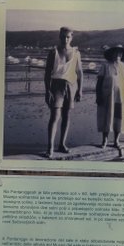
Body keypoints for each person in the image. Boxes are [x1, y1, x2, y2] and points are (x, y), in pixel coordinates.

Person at [44, 27, 83, 158]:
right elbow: (47, 73)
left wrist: (80, 90)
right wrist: (47, 91)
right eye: (62, 37)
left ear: (71, 38)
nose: (65, 39)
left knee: (67, 116)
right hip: (56, 85)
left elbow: (79, 72)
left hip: (71, 86)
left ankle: (62, 144)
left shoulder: (76, 53)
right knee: (55, 116)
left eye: (68, 37)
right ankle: (50, 147)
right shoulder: (53, 52)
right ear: (59, 37)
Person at [95, 45, 124, 149]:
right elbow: (99, 83)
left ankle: (116, 140)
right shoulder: (105, 66)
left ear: (122, 55)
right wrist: (98, 96)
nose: (117, 55)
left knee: (119, 117)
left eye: (119, 53)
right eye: (115, 52)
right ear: (111, 54)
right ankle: (105, 140)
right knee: (106, 117)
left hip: (121, 97)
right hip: (107, 96)